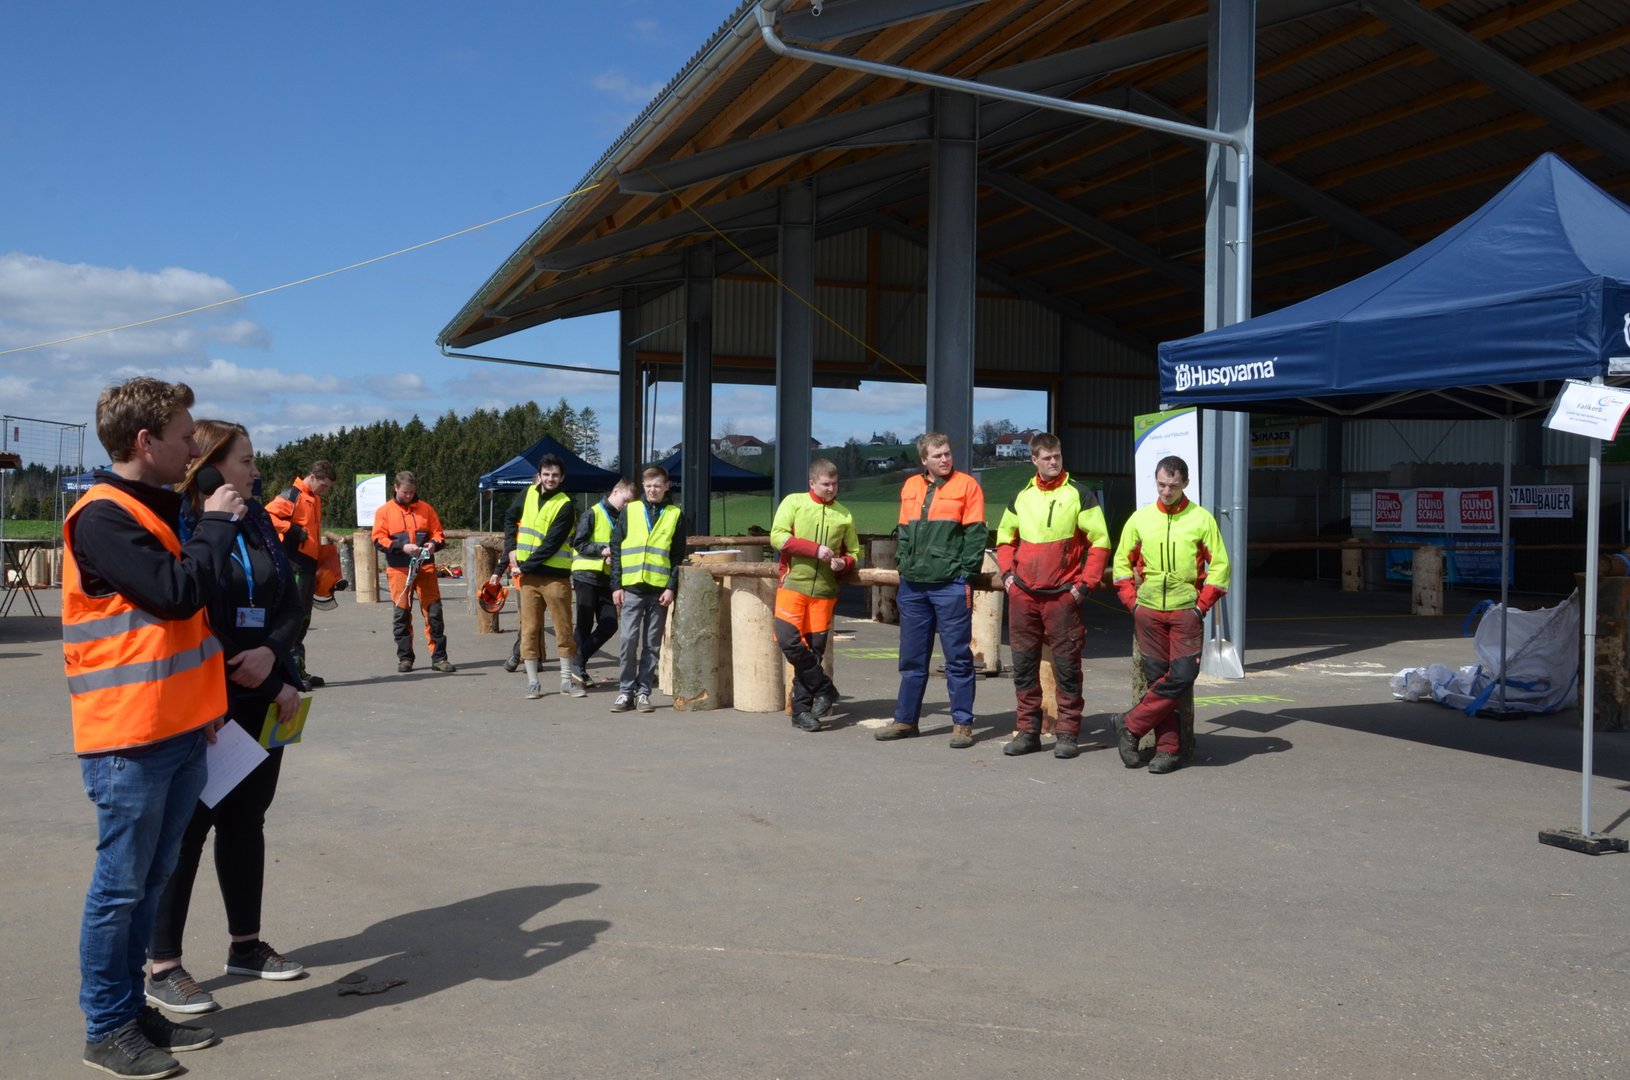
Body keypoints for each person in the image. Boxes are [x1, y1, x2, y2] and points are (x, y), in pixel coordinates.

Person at [63, 377, 243, 1077]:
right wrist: (218, 526)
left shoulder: (151, 511)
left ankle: (131, 1013)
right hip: (129, 740)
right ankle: (106, 1028)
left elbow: (181, 628)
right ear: (146, 442)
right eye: (185, 436)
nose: (195, 449)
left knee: (150, 879)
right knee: (119, 889)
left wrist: (205, 705)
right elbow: (175, 595)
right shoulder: (103, 517)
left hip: (178, 729)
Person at [147, 420, 307, 1020]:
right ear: (209, 465)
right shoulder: (181, 522)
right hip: (207, 699)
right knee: (187, 830)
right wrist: (250, 678)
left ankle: (246, 945)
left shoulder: (257, 518)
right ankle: (163, 965)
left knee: (246, 820)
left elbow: (291, 601)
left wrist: (274, 656)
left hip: (265, 692)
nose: (256, 471)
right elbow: (189, 614)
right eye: (245, 460)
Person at [1111, 455, 1231, 775]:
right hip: (1148, 612)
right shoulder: (1140, 519)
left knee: (1182, 676)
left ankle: (1129, 725)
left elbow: (1221, 567)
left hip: (1185, 613)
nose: (1166, 491)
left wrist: (1200, 607)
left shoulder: (1201, 519)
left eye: (1173, 486)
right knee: (1157, 681)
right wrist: (1133, 604)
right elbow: (1121, 565)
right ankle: (1167, 751)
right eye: (1162, 485)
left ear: (1185, 483)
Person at [994, 433, 1110, 760]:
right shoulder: (1022, 497)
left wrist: (1084, 585)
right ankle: (1027, 732)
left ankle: (1068, 733)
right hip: (1024, 595)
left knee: (1067, 666)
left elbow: (1100, 541)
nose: (1053, 462)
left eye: (1057, 456)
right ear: (1034, 460)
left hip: (1062, 596)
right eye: (1046, 458)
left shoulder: (1079, 495)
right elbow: (1004, 538)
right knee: (1023, 666)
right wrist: (1008, 576)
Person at [875, 432, 988, 748]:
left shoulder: (967, 486)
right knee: (911, 658)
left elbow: (976, 534)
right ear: (924, 459)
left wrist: (965, 573)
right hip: (913, 586)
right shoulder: (911, 486)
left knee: (958, 658)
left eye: (947, 453)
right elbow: (903, 531)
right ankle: (905, 720)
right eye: (937, 455)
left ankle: (962, 723)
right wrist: (903, 563)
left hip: (950, 585)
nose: (945, 459)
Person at [771, 459, 860, 732]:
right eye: (825, 484)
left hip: (824, 592)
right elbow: (777, 537)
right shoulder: (794, 502)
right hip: (793, 585)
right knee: (788, 642)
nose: (831, 488)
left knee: (813, 653)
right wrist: (815, 549)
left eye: (835, 484)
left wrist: (844, 563)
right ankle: (825, 689)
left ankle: (801, 712)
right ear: (812, 483)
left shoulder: (844, 515)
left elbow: (855, 552)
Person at [498, 454, 583, 700]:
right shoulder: (528, 493)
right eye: (546, 474)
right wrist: (511, 548)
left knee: (563, 628)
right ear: (540, 475)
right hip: (529, 578)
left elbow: (552, 543)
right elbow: (509, 517)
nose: (550, 479)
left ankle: (565, 680)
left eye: (555, 475)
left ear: (562, 477)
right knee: (529, 629)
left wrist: (524, 567)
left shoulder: (566, 504)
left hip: (554, 577)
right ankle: (533, 682)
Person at [608, 466, 687, 713]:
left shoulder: (675, 514)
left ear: (666, 487)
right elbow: (616, 547)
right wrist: (616, 584)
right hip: (632, 587)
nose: (653, 490)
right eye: (649, 485)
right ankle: (625, 691)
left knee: (652, 645)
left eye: (657, 485)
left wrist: (671, 586)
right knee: (628, 640)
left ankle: (643, 692)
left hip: (658, 590)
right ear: (643, 486)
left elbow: (677, 556)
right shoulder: (630, 510)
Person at [372, 471, 456, 673]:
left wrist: (433, 544)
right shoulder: (384, 511)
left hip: (425, 568)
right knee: (401, 614)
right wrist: (401, 547)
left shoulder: (426, 509)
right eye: (405, 492)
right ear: (396, 488)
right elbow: (378, 539)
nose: (409, 495)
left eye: (412, 492)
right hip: (399, 569)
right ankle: (405, 658)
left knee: (434, 613)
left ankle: (439, 658)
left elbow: (438, 534)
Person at [265, 459, 336, 689]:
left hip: (309, 565)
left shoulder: (314, 498)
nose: (324, 490)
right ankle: (290, 672)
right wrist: (291, 529)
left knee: (304, 618)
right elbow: (267, 515)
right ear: (312, 477)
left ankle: (298, 668)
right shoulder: (292, 495)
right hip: (294, 563)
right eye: (323, 485)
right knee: (294, 617)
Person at [569, 478, 638, 689]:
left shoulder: (621, 518)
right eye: (625, 501)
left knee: (609, 624)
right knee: (584, 624)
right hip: (586, 575)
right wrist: (602, 551)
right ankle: (578, 670)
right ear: (615, 491)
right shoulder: (592, 513)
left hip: (606, 578)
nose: (626, 506)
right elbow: (578, 543)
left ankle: (577, 661)